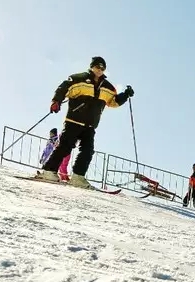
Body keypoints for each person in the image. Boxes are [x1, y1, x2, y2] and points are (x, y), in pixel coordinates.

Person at [37, 56, 135, 188]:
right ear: (92, 66)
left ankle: (78, 176)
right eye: (97, 67)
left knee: (88, 150)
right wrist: (56, 101)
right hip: (74, 120)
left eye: (102, 68)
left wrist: (126, 94)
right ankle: (49, 171)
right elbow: (64, 87)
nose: (100, 70)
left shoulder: (108, 87)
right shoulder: (79, 79)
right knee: (65, 146)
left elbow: (113, 102)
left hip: (90, 124)